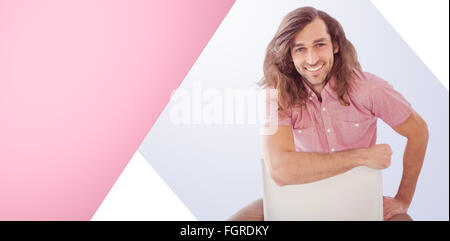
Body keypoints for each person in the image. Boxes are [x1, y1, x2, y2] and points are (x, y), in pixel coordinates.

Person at [228, 7, 429, 221]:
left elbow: (419, 132)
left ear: (334, 45)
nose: (312, 58)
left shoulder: (368, 88)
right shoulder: (275, 97)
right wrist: (361, 156)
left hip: (358, 199)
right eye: (300, 49)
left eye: (319, 45)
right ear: (289, 54)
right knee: (238, 223)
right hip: (299, 199)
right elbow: (279, 169)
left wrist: (403, 199)